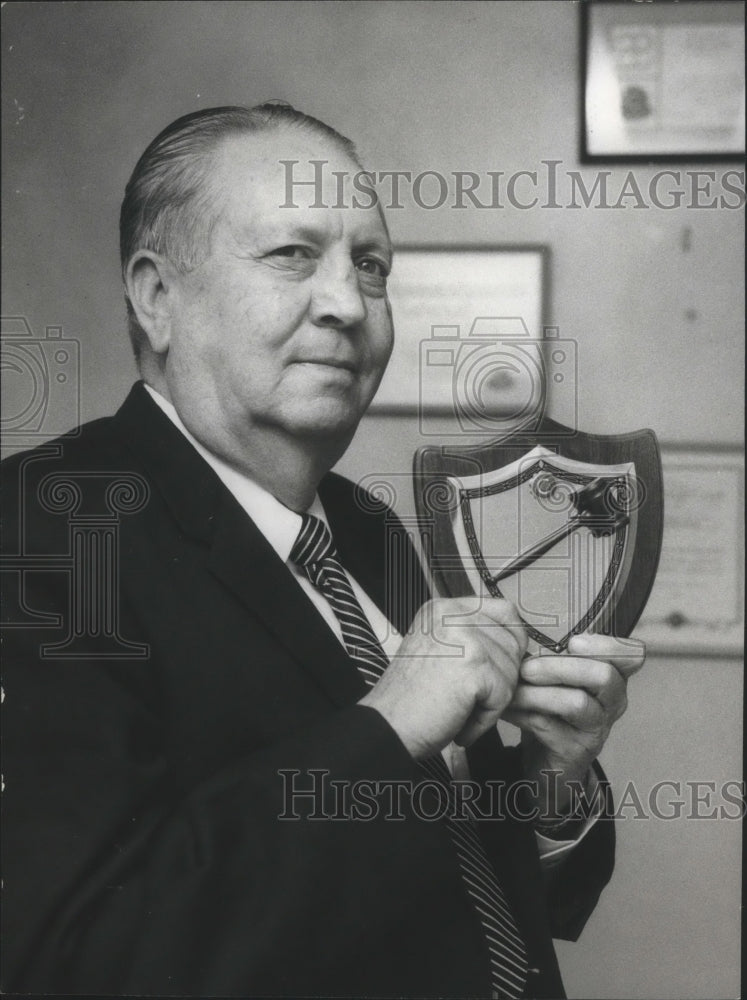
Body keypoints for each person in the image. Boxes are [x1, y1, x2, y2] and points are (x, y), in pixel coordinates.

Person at [1, 104, 644, 999]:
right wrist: (388, 729)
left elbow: (459, 887)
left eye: (370, 266)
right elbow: (74, 960)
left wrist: (550, 782)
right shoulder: (48, 530)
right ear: (157, 298)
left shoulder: (364, 527)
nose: (348, 304)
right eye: (291, 254)